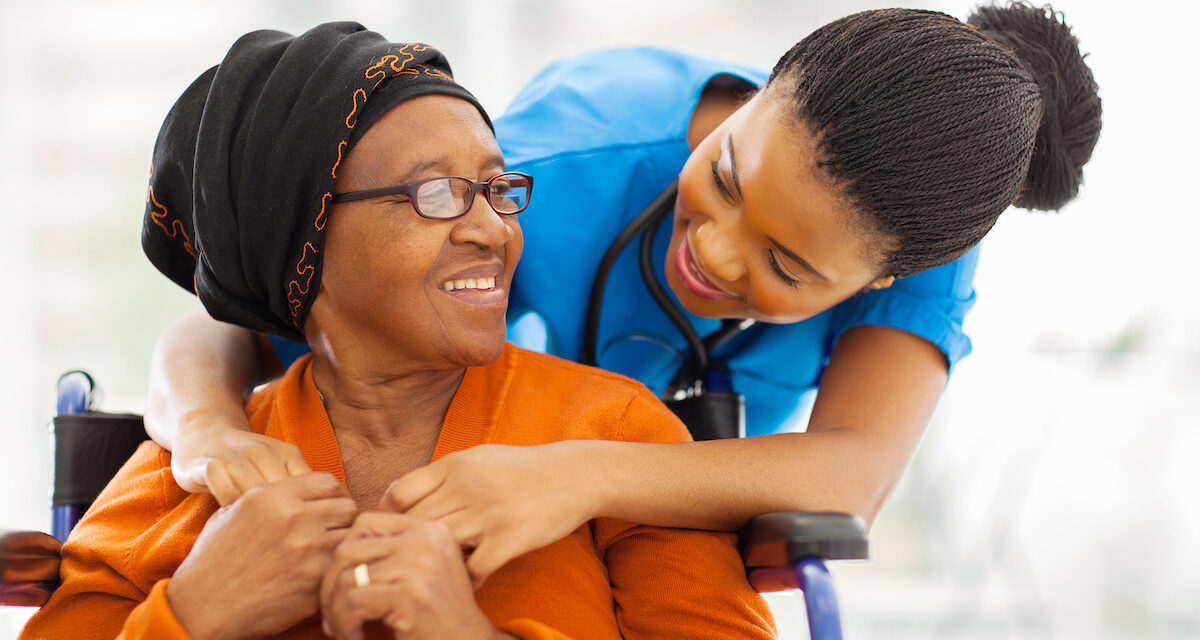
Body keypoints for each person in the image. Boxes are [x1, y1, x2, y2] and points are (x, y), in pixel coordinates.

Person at [144, 4, 1102, 585]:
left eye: (788, 268)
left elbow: (852, 476)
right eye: (725, 176)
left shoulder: (915, 240)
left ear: (882, 279)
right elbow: (220, 324)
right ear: (761, 93)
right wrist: (207, 432)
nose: (717, 257)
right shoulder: (558, 164)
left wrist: (574, 473)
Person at [20, 23, 776, 640]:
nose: (495, 229)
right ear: (303, 242)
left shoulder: (614, 435)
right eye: (438, 193)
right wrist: (193, 615)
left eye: (497, 187)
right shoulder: (185, 475)